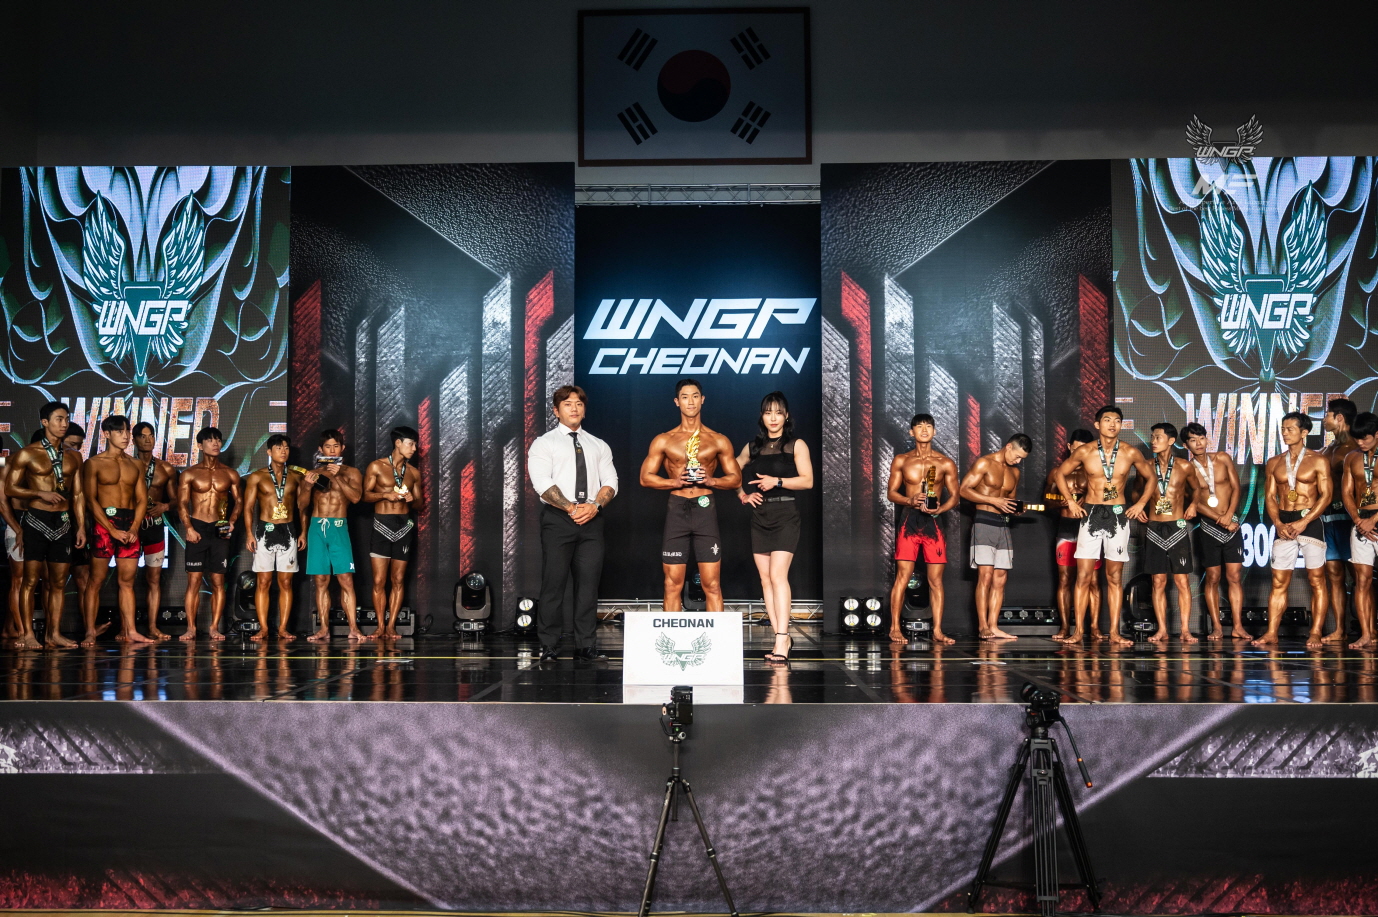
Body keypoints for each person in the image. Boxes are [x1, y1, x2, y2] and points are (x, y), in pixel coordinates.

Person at [528, 386, 618, 663]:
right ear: (556, 411)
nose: (574, 408)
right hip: (558, 519)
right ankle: (549, 645)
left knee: (588, 586)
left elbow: (611, 481)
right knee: (553, 584)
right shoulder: (544, 443)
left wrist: (595, 506)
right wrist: (570, 507)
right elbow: (541, 483)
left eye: (579, 403)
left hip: (592, 519)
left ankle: (586, 645)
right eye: (567, 404)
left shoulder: (598, 444)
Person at [1054, 405, 1154, 646]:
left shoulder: (1130, 452)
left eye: (1117, 420)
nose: (1112, 424)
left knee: (1114, 577)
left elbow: (1151, 477)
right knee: (1083, 576)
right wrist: (1070, 501)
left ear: (1121, 425)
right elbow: (1059, 474)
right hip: (1090, 514)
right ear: (1097, 424)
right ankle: (1078, 632)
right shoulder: (1085, 451)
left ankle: (1115, 633)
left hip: (1117, 515)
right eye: (1107, 420)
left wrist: (1141, 503)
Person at [639, 379, 741, 613]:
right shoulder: (664, 439)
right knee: (671, 584)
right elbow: (645, 477)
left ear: (702, 400)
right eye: (685, 397)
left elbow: (736, 479)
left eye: (695, 396)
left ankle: (716, 637)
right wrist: (674, 482)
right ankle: (670, 637)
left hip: (705, 508)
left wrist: (712, 480)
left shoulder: (718, 439)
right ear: (677, 402)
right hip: (677, 507)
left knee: (712, 584)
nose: (691, 402)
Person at [735, 391, 814, 663]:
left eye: (778, 412)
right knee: (765, 579)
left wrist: (777, 481)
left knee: (778, 575)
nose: (773, 417)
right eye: (768, 412)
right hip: (760, 515)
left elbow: (807, 481)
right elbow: (731, 471)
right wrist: (742, 495)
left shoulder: (796, 445)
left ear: (786, 416)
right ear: (762, 416)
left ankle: (782, 637)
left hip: (785, 514)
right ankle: (780, 636)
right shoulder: (753, 447)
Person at [5, 402, 86, 648]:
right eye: (59, 419)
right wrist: (39, 493)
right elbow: (10, 488)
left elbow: (78, 494)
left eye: (66, 419)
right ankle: (28, 635)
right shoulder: (27, 453)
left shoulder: (74, 456)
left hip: (62, 523)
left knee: (59, 583)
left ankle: (54, 634)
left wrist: (81, 526)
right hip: (36, 520)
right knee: (30, 581)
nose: (64, 424)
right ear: (45, 422)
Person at [1254, 412, 1332, 647]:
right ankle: (1271, 633)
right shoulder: (1274, 462)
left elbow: (1326, 496)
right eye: (1283, 429)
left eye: (1290, 429)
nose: (1285, 433)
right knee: (1278, 581)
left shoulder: (1318, 460)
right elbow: (1270, 496)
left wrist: (1305, 521)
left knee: (1316, 579)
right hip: (1284, 522)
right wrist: (1278, 523)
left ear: (1304, 432)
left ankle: (1315, 632)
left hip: (1310, 521)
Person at [885, 414, 959, 645]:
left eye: (929, 426)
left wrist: (940, 509)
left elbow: (955, 496)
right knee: (903, 577)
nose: (924, 430)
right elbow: (891, 493)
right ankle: (895, 628)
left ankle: (937, 630)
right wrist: (909, 500)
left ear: (934, 432)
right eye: (919, 426)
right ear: (912, 432)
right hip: (909, 521)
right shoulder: (902, 460)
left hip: (933, 523)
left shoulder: (945, 463)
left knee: (935, 580)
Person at [81, 415, 150, 644]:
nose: (125, 436)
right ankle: (90, 631)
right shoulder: (94, 463)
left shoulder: (136, 464)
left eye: (127, 431)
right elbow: (90, 500)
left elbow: (142, 499)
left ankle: (131, 630)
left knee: (127, 582)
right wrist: (111, 530)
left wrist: (135, 528)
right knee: (96, 580)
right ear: (107, 434)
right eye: (120, 431)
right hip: (104, 525)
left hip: (130, 523)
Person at [959, 432, 1032, 640]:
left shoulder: (1014, 473)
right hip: (983, 522)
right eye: (1017, 456)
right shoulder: (984, 463)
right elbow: (963, 490)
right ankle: (982, 626)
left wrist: (1016, 509)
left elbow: (1009, 501)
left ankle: (993, 626)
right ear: (1008, 446)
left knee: (1000, 579)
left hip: (1003, 525)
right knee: (986, 576)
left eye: (1021, 459)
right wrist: (993, 501)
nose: (1018, 461)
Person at [1141, 423, 1206, 643]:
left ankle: (1185, 630)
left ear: (1170, 441)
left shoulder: (1184, 466)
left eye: (1158, 437)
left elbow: (1196, 489)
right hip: (1154, 528)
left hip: (1177, 528)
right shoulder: (1145, 466)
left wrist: (1193, 505)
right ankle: (1162, 630)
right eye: (1152, 437)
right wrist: (1139, 507)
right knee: (1158, 582)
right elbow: (1136, 490)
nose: (1153, 441)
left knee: (1182, 581)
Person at [1182, 421, 1247, 640]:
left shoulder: (1222, 458)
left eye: (1201, 438)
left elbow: (1236, 487)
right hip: (1209, 527)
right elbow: (1194, 502)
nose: (1199, 443)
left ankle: (1238, 626)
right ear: (1186, 445)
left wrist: (1229, 515)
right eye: (1193, 440)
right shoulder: (1187, 469)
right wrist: (1221, 519)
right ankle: (1217, 627)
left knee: (1234, 576)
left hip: (1232, 523)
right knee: (1212, 577)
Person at [301, 429, 366, 643]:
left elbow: (356, 498)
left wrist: (338, 477)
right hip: (317, 527)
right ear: (320, 449)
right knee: (321, 580)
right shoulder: (312, 472)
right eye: (327, 447)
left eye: (335, 446)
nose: (332, 450)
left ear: (342, 448)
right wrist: (307, 486)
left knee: (346, 579)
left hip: (338, 526)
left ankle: (354, 629)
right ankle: (323, 629)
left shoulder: (352, 472)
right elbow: (301, 505)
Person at [179, 427, 242, 641]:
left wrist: (232, 522)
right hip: (197, 525)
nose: (215, 444)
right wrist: (189, 528)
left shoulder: (230, 473)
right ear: (200, 445)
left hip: (220, 527)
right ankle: (191, 628)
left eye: (218, 440)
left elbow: (239, 502)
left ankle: (214, 627)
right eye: (210, 440)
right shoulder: (189, 473)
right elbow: (182, 504)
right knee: (194, 581)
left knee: (218, 580)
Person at [243, 434, 307, 642]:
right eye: (279, 448)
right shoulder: (257, 476)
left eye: (286, 448)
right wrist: (249, 534)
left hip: (288, 530)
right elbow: (248, 508)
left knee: (286, 582)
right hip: (265, 530)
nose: (283, 451)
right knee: (263, 582)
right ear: (269, 452)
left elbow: (302, 508)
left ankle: (283, 628)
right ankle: (263, 629)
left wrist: (303, 532)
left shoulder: (296, 476)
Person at [364, 426, 423, 640]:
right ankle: (380, 626)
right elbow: (364, 496)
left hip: (404, 527)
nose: (414, 449)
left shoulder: (414, 473)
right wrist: (385, 495)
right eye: (411, 444)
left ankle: (391, 627)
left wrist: (413, 500)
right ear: (398, 443)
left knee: (398, 579)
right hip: (381, 525)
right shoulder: (376, 466)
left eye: (415, 445)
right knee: (379, 580)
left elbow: (420, 504)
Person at [1047, 429, 1101, 640]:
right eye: (1076, 449)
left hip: (1090, 527)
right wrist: (1059, 502)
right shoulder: (1057, 472)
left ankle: (1094, 627)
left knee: (1093, 580)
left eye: (1084, 450)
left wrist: (1091, 499)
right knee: (1065, 579)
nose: (1079, 453)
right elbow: (1046, 499)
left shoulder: (1095, 473)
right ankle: (1064, 628)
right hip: (1067, 527)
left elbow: (1109, 495)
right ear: (1069, 447)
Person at [133, 422, 179, 640]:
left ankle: (152, 627)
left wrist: (165, 506)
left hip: (154, 527)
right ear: (134, 440)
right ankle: (127, 629)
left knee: (154, 578)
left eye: (151, 435)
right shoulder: (126, 466)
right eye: (142, 436)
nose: (147, 440)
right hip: (131, 527)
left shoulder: (165, 469)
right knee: (126, 579)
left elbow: (177, 500)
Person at [1320, 398, 1358, 643]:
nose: (1324, 419)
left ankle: (1369, 629)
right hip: (1327, 518)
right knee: (1334, 575)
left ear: (1339, 417)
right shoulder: (1329, 449)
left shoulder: (1355, 447)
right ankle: (1340, 629)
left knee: (1360, 576)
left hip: (1349, 518)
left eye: (1327, 414)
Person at [1342, 412, 1378, 650]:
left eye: (1365, 438)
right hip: (1360, 523)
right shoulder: (1352, 457)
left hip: (1375, 518)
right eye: (1357, 438)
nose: (1360, 443)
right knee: (1362, 580)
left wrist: (1374, 519)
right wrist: (1358, 519)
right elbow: (1347, 492)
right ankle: (1366, 634)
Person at [63, 423, 93, 619]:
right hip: (49, 523)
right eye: (71, 445)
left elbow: (81, 496)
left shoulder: (79, 461)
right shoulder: (37, 458)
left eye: (79, 446)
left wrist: (82, 526)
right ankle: (51, 630)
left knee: (84, 577)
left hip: (75, 526)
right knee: (52, 581)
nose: (75, 450)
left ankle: (89, 628)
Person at [1, 453, 25, 642]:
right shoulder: (8, 463)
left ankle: (10, 627)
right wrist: (18, 529)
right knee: (18, 580)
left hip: (33, 523)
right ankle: (23, 632)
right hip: (13, 524)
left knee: (26, 581)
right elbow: (2, 504)